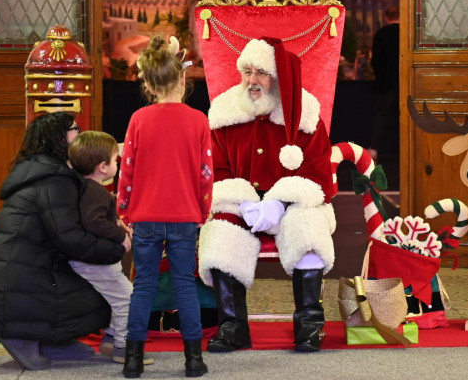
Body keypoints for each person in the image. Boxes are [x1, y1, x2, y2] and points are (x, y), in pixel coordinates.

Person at [198, 37, 336, 353]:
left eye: (260, 72)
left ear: (277, 77)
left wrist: (280, 200)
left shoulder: (306, 112)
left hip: (291, 202)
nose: (251, 80)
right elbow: (213, 168)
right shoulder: (223, 112)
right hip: (241, 200)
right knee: (219, 229)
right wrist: (241, 200)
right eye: (246, 71)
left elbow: (318, 175)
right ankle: (233, 326)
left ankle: (310, 326)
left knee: (309, 229)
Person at [0, 112, 126, 370]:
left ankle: (54, 340)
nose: (80, 134)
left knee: (91, 282)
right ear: (59, 139)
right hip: (21, 275)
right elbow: (70, 238)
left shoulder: (46, 172)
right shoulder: (53, 179)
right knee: (102, 287)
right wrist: (115, 249)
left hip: (28, 268)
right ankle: (21, 337)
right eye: (75, 129)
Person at [117, 35, 213, 379]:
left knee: (143, 285)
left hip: (144, 215)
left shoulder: (138, 120)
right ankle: (193, 360)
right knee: (185, 285)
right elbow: (205, 173)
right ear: (183, 78)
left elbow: (126, 169)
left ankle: (133, 360)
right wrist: (203, 210)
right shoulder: (198, 120)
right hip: (186, 215)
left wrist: (124, 208)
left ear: (150, 84)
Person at [67, 130, 155, 366]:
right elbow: (94, 221)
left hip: (88, 259)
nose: (118, 164)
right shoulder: (94, 191)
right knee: (127, 298)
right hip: (94, 262)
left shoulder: (84, 188)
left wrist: (116, 223)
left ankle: (110, 340)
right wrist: (120, 236)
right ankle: (123, 347)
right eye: (116, 160)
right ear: (103, 167)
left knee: (115, 298)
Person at [370, 5, 400, 187]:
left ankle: (373, 148)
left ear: (386, 16)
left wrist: (380, 75)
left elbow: (376, 60)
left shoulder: (381, 33)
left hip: (386, 82)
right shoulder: (406, 33)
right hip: (405, 82)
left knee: (381, 116)